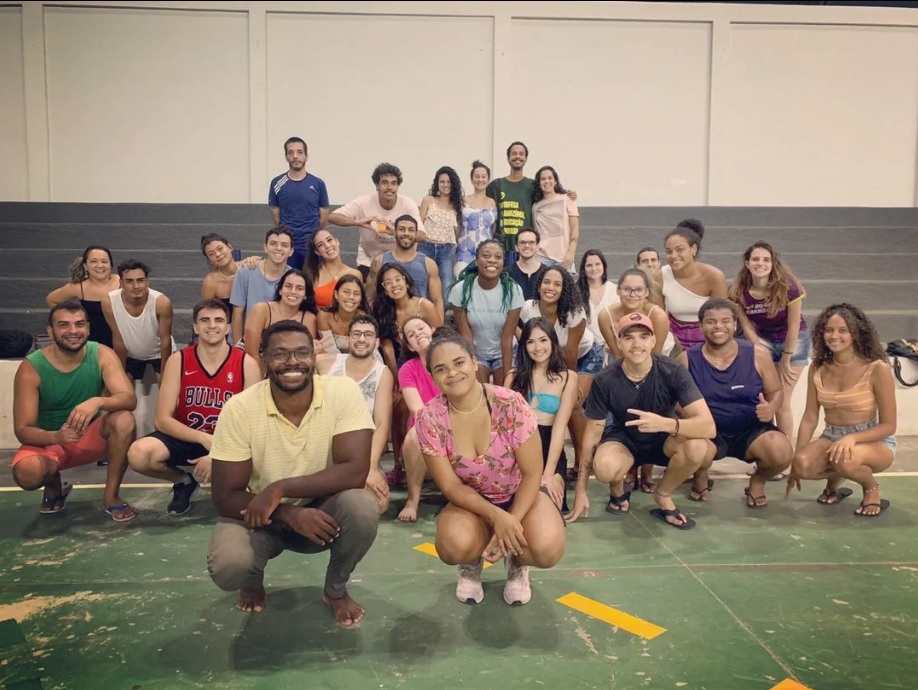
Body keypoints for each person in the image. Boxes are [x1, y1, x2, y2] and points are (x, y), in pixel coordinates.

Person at [207, 320, 379, 624]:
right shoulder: (240, 408)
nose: (293, 362)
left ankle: (335, 590)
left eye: (302, 352)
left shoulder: (342, 392)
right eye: (280, 354)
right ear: (263, 359)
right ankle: (252, 580)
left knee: (362, 506)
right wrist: (287, 512)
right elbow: (224, 496)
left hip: (322, 512)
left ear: (313, 356)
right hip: (262, 517)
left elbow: (355, 471)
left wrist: (280, 488)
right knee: (229, 565)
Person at [416, 327, 565, 605]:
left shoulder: (509, 404)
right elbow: (450, 485)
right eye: (441, 369)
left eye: (459, 362)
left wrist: (511, 521)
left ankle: (517, 562)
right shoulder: (429, 418)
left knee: (547, 548)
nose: (452, 373)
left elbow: (532, 473)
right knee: (453, 546)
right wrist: (496, 517)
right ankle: (471, 563)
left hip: (521, 493)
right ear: (433, 376)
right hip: (471, 502)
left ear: (474, 362)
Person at [567, 313, 716, 529]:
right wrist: (581, 491)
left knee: (699, 447)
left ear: (654, 340)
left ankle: (663, 494)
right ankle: (617, 488)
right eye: (629, 338)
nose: (637, 344)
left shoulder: (673, 371)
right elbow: (591, 437)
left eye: (643, 337)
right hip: (624, 439)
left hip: (664, 439)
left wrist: (666, 424)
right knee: (605, 468)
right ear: (619, 343)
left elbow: (708, 426)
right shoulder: (604, 379)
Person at [127, 299, 261, 514]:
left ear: (228, 328)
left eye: (219, 320)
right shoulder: (178, 360)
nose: (212, 325)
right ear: (196, 328)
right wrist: (203, 439)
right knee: (139, 454)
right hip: (188, 436)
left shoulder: (247, 364)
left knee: (258, 460)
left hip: (231, 441)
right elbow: (162, 420)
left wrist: (217, 451)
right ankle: (183, 481)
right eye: (205, 320)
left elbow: (253, 424)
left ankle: (240, 487)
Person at [12, 301, 137, 521]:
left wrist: (98, 401)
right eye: (64, 325)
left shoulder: (102, 354)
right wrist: (57, 437)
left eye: (79, 324)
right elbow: (23, 430)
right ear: (50, 331)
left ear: (88, 328)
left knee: (124, 419)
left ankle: (111, 497)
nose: (73, 331)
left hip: (88, 438)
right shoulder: (31, 367)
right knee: (27, 475)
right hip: (48, 442)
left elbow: (129, 398)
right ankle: (54, 487)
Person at [678, 298, 793, 507]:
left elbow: (776, 392)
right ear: (701, 326)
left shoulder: (758, 355)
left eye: (725, 321)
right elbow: (675, 402)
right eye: (711, 321)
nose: (718, 326)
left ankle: (757, 482)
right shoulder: (686, 359)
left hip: (751, 430)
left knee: (781, 451)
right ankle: (700, 475)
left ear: (735, 324)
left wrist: (771, 408)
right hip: (708, 433)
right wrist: (691, 416)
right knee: (692, 448)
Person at [787, 303, 896, 517]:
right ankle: (835, 480)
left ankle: (871, 488)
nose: (834, 336)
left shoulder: (877, 368)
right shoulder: (817, 367)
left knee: (845, 458)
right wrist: (797, 458)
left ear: (855, 333)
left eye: (842, 330)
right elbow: (810, 416)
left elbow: (889, 426)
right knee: (802, 464)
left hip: (873, 440)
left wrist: (852, 438)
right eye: (829, 330)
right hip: (832, 436)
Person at [728, 242, 809, 441]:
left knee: (781, 401)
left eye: (766, 260)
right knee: (766, 398)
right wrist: (760, 352)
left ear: (773, 264)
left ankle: (785, 451)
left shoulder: (789, 286)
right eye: (755, 259)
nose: (761, 263)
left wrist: (786, 358)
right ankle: (769, 446)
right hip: (763, 339)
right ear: (747, 263)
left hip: (793, 340)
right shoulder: (737, 291)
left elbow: (794, 325)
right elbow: (746, 326)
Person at [316, 315, 394, 515]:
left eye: (368, 335)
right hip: (323, 448)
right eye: (356, 334)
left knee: (379, 503)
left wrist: (370, 468)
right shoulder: (324, 363)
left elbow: (382, 423)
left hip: (358, 454)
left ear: (376, 342)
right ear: (348, 339)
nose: (362, 339)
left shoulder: (383, 374)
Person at [506, 318, 578, 511]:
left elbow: (559, 429)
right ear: (524, 346)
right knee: (518, 505)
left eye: (543, 340)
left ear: (553, 341)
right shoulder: (513, 376)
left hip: (549, 449)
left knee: (545, 502)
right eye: (531, 342)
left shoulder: (568, 378)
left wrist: (548, 474)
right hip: (518, 450)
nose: (538, 347)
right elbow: (504, 426)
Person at [328, 163, 426, 279]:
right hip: (368, 260)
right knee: (369, 289)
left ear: (398, 186)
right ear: (377, 185)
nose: (389, 187)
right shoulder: (363, 202)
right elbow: (333, 217)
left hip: (399, 260)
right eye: (384, 182)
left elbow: (422, 236)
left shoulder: (408, 204)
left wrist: (394, 231)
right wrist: (358, 222)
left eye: (393, 183)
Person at [448, 239, 524, 385]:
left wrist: (507, 382)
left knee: (503, 392)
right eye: (486, 256)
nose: (492, 260)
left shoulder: (514, 290)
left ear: (503, 262)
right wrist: (472, 366)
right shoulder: (460, 290)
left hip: (504, 351)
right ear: (476, 261)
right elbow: (466, 337)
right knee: (480, 390)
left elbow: (507, 338)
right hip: (477, 352)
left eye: (498, 257)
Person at [653, 219, 727, 350]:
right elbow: (658, 317)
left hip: (708, 337)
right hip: (673, 339)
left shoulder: (715, 276)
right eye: (669, 251)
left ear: (693, 249)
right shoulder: (659, 277)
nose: (673, 256)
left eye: (680, 250)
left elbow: (720, 317)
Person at [395, 317, 441, 521]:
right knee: (416, 433)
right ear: (409, 346)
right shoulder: (408, 369)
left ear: (432, 329)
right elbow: (417, 410)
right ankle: (412, 501)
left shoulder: (452, 359)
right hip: (427, 441)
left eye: (421, 328)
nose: (418, 334)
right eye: (411, 335)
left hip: (459, 432)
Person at [102, 259, 176, 383]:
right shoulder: (109, 301)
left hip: (159, 354)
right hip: (130, 355)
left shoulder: (162, 303)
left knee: (168, 388)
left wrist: (165, 373)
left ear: (147, 282)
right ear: (121, 283)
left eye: (140, 280)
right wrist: (121, 374)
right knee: (119, 389)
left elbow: (165, 340)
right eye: (129, 281)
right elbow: (118, 338)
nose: (136, 286)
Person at [366, 214, 444, 321]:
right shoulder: (379, 262)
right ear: (395, 232)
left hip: (419, 325)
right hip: (388, 322)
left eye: (411, 230)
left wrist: (440, 326)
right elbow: (370, 297)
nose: (406, 233)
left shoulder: (429, 264)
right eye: (402, 229)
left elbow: (437, 300)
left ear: (416, 234)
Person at [268, 136, 330, 271]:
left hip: (312, 247)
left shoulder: (318, 183)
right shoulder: (276, 183)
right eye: (291, 152)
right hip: (288, 248)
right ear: (286, 157)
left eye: (300, 152)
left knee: (313, 281)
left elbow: (323, 218)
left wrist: (311, 236)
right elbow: (276, 219)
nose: (295, 156)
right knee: (289, 281)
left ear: (306, 156)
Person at [372, 263, 441, 377]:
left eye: (398, 279)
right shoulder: (383, 312)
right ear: (384, 290)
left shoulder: (425, 305)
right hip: (405, 363)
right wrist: (397, 380)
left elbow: (440, 336)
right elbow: (388, 350)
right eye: (388, 283)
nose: (394, 285)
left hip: (432, 358)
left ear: (407, 283)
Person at [46, 245, 119, 349]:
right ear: (85, 265)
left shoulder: (122, 282)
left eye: (104, 261)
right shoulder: (79, 287)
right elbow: (51, 299)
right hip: (92, 343)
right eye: (93, 261)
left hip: (122, 342)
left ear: (110, 265)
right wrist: (68, 319)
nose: (100, 265)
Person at [230, 227, 295, 343]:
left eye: (284, 245)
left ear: (291, 251)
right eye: (273, 244)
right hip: (246, 340)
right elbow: (237, 314)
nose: (278, 248)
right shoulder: (245, 271)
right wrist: (238, 346)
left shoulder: (293, 278)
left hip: (277, 342)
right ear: (265, 247)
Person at [243, 269, 317, 364]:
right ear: (280, 290)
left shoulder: (309, 318)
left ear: (305, 295)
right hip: (252, 364)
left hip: (288, 365)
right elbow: (251, 353)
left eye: (299, 288)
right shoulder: (261, 310)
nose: (293, 291)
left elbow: (306, 354)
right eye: (288, 286)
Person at [418, 166, 463, 302]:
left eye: (449, 182)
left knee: (446, 287)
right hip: (426, 247)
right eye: (442, 181)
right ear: (437, 183)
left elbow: (457, 231)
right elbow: (419, 225)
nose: (445, 185)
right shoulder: (428, 200)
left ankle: (441, 314)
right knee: (423, 285)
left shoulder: (456, 205)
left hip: (445, 250)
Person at [531, 165, 580, 270]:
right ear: (539, 183)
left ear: (555, 181)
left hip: (564, 257)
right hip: (541, 257)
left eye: (550, 178)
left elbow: (575, 230)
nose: (547, 181)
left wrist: (571, 253)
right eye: (543, 179)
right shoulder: (535, 206)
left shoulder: (567, 199)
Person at [302, 229, 362, 311]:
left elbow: (360, 306)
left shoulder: (355, 274)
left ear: (337, 241)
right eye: (320, 245)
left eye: (329, 240)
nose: (327, 246)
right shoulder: (312, 274)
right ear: (317, 252)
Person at [456, 160, 497, 277]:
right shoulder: (463, 201)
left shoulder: (492, 202)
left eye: (483, 177)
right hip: (464, 252)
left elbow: (493, 229)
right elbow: (457, 225)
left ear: (488, 179)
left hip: (486, 253)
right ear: (472, 179)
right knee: (462, 281)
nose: (480, 179)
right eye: (477, 176)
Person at [577, 250, 619, 354]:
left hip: (610, 347)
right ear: (583, 269)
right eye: (589, 265)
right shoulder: (575, 291)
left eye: (597, 264)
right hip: (584, 348)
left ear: (604, 266)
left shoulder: (615, 290)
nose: (594, 268)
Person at [316, 275, 370, 355]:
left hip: (359, 358)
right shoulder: (324, 316)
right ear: (336, 294)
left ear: (361, 298)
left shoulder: (363, 318)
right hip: (332, 358)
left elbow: (367, 351)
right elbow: (330, 350)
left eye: (356, 294)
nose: (351, 297)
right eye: (346, 292)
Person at [506, 228, 544, 301]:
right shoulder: (506, 274)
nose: (526, 246)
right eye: (522, 242)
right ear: (516, 247)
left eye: (531, 242)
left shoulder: (547, 273)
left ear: (538, 246)